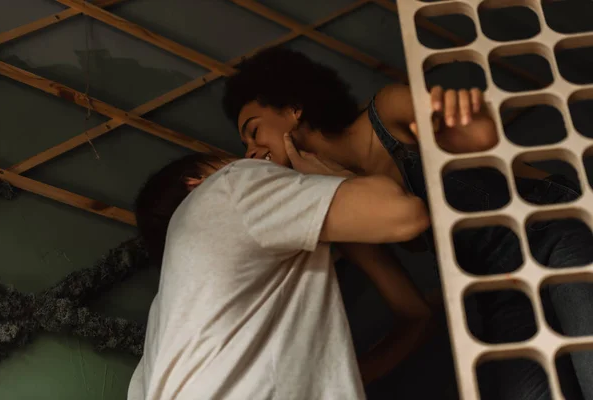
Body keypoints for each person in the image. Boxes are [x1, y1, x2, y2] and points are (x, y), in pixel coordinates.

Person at [222, 47, 593, 400]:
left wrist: (470, 120)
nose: (251, 152)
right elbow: (413, 314)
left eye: (254, 132)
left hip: (549, 227)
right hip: (498, 291)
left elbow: (479, 136)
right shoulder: (342, 212)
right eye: (244, 146)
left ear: (293, 109)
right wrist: (336, 380)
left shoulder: (388, 111)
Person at [127, 153, 435, 399]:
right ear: (196, 183)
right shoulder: (226, 187)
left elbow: (416, 316)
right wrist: (322, 174)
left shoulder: (166, 321)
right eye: (231, 156)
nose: (253, 155)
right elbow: (404, 214)